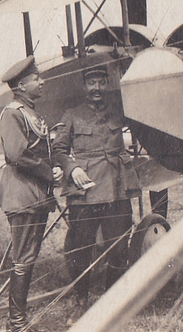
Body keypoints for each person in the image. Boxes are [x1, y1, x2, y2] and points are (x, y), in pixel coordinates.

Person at [51, 60, 140, 319]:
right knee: (81, 247)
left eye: (101, 82)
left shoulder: (118, 111)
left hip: (116, 188)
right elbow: (57, 150)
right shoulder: (71, 114)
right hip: (85, 191)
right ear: (84, 86)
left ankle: (112, 301)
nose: (97, 88)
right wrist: (72, 169)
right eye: (92, 83)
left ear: (108, 84)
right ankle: (82, 299)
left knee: (119, 246)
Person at [0, 55, 63, 332]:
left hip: (35, 194)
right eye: (37, 78)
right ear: (22, 85)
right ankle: (17, 323)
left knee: (28, 256)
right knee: (23, 258)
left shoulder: (30, 112)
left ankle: (18, 320)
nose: (42, 81)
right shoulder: (12, 113)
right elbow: (17, 156)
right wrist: (50, 173)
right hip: (23, 194)